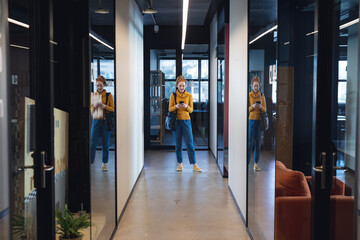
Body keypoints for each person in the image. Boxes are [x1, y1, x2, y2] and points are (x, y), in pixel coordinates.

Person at [169, 75, 202, 172]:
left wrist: (186, 106)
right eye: (180, 86)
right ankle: (180, 164)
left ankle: (194, 164)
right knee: (178, 144)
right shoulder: (173, 95)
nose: (181, 88)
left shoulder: (189, 96)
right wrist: (176, 106)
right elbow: (170, 109)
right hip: (176, 122)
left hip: (186, 121)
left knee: (190, 144)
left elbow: (191, 110)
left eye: (183, 86)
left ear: (186, 86)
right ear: (177, 86)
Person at [90, 75, 114, 171]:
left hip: (105, 122)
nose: (99, 87)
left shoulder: (109, 96)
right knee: (92, 144)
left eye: (100, 85)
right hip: (96, 121)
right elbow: (91, 110)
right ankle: (91, 162)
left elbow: (113, 109)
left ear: (104, 85)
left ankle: (104, 163)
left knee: (105, 144)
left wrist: (104, 106)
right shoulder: (93, 95)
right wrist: (94, 106)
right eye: (97, 85)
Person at [248, 76, 266, 171]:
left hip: (259, 121)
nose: (256, 87)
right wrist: (252, 106)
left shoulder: (262, 95)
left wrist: (260, 107)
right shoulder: (249, 95)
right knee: (250, 143)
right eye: (254, 85)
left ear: (259, 86)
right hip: (251, 120)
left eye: (257, 86)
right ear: (252, 85)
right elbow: (247, 109)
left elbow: (265, 109)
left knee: (258, 143)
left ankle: (256, 163)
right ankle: (246, 163)